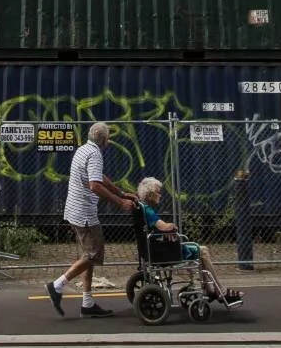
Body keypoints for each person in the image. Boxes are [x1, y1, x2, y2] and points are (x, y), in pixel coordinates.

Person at [46, 122, 136, 318]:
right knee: (93, 254)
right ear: (103, 139)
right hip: (84, 213)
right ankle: (57, 285)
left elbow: (99, 177)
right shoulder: (95, 154)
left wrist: (121, 192)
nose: (109, 140)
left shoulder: (83, 149)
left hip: (74, 210)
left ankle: (87, 304)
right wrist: (120, 202)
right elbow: (95, 185)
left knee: (88, 256)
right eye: (108, 137)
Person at [135, 176, 242, 305]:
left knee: (200, 251)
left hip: (156, 249)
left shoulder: (142, 208)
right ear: (150, 194)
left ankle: (210, 289)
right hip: (165, 252)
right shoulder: (149, 211)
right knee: (202, 250)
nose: (161, 195)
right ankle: (218, 290)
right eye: (158, 192)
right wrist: (172, 226)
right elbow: (163, 226)